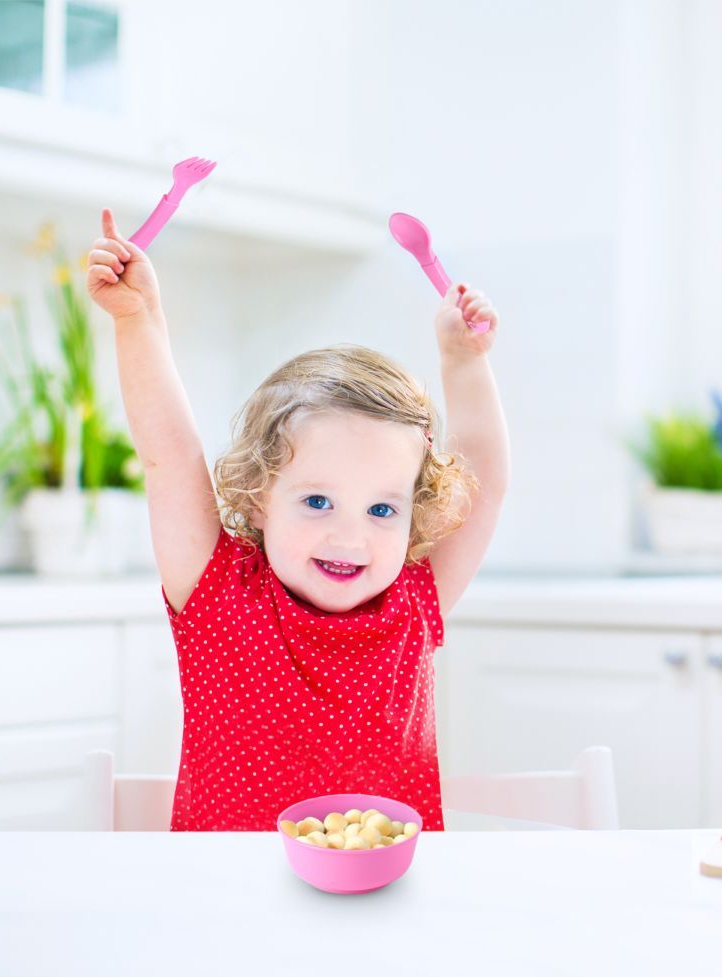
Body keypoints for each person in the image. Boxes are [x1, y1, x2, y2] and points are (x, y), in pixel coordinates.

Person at [86, 207, 510, 831]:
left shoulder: (414, 601)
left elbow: (485, 484)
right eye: (317, 501)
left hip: (385, 907)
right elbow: (169, 453)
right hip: (227, 903)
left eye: (382, 509)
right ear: (258, 494)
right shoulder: (217, 593)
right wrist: (137, 319)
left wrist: (465, 362)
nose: (350, 535)